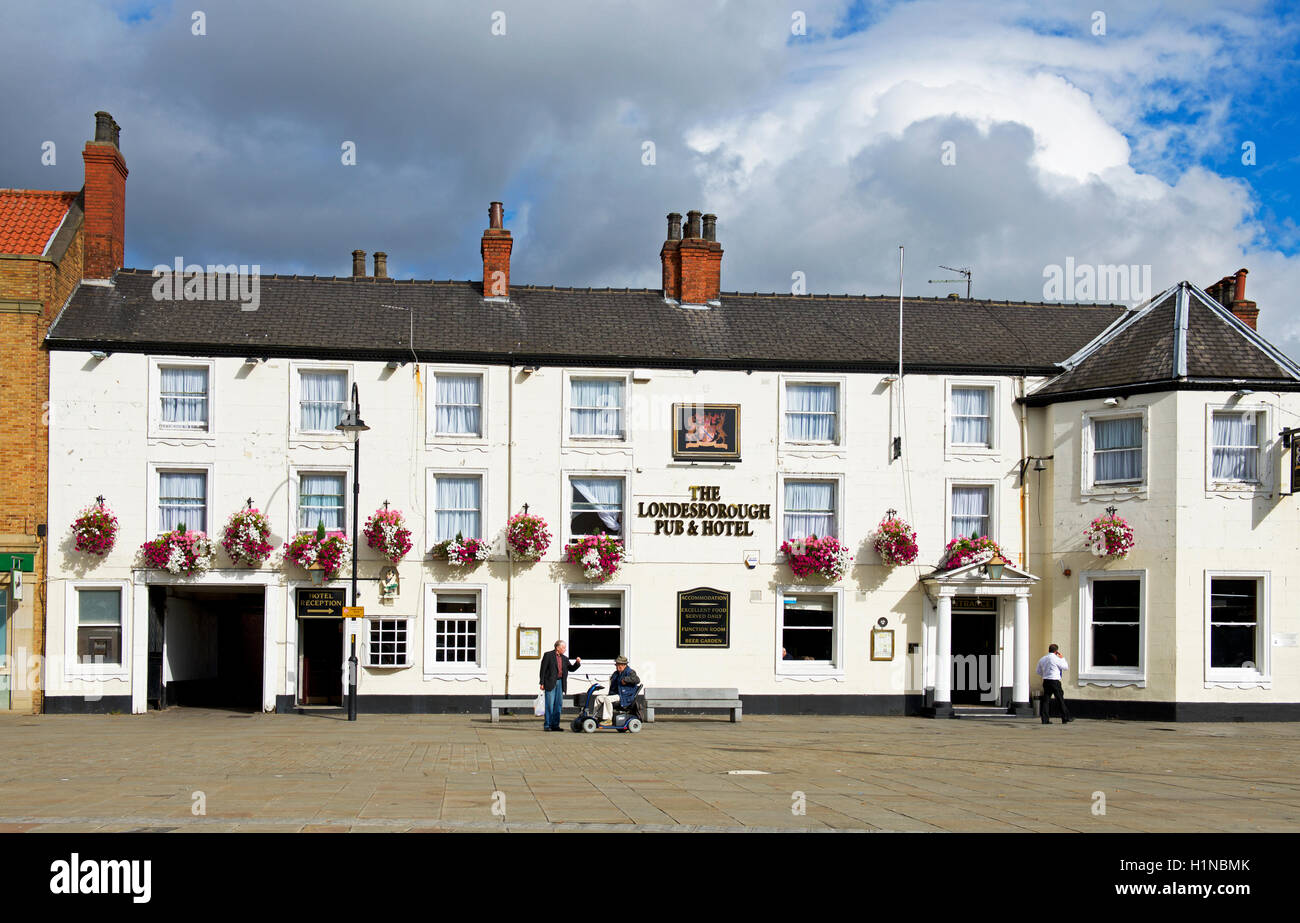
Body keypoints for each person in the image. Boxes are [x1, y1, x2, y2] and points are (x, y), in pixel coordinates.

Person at [539, 640, 580, 731]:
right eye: (563, 648)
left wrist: (577, 663)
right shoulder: (548, 655)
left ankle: (555, 725)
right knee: (549, 704)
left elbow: (571, 669)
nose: (565, 649)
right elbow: (543, 670)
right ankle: (547, 725)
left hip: (560, 683)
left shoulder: (565, 658)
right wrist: (541, 682)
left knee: (558, 705)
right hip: (550, 682)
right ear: (557, 647)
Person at [594, 655, 640, 725]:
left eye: (619, 665)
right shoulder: (616, 673)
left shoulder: (630, 672)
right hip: (616, 695)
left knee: (607, 699)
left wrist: (626, 679)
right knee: (599, 698)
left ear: (624, 665)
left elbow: (637, 680)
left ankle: (608, 719)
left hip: (625, 697)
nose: (617, 667)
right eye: (617, 665)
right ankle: (598, 717)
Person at [1036, 643, 1073, 724]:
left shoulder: (1042, 659)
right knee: (1060, 699)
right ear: (1056, 651)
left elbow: (1038, 671)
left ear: (1049, 650)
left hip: (1046, 681)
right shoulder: (1057, 659)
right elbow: (1065, 667)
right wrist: (1062, 658)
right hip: (1055, 681)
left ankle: (1045, 719)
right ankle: (1065, 717)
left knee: (1046, 701)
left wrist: (1045, 674)